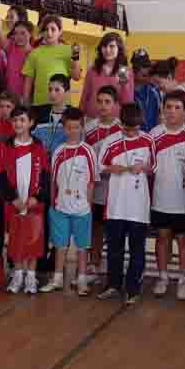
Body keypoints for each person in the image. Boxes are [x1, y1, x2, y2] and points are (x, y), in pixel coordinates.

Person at [98, 103, 156, 304]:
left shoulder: (148, 140)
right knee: (114, 248)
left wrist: (144, 167)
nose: (132, 133)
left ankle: (133, 289)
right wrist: (115, 168)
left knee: (137, 249)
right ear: (121, 124)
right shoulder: (110, 142)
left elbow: (153, 167)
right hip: (115, 206)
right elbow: (100, 167)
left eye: (136, 129)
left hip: (138, 207)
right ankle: (113, 285)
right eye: (128, 129)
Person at [43, 108, 97, 295]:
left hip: (82, 208)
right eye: (69, 127)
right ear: (64, 129)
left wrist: (88, 205)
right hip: (60, 206)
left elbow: (92, 181)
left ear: (82, 128)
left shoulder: (88, 151)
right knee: (60, 245)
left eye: (76, 127)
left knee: (82, 246)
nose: (73, 130)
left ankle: (81, 279)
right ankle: (58, 277)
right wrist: (53, 204)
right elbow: (52, 180)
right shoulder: (58, 151)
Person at [150, 90, 185, 300]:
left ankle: (183, 280)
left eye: (177, 107)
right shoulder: (154, 134)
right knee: (162, 238)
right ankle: (162, 277)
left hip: (184, 201)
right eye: (168, 107)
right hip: (160, 198)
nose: (172, 111)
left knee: (184, 241)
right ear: (162, 109)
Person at [0, 107, 51, 294]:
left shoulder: (39, 146)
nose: (18, 124)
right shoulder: (7, 146)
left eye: (22, 120)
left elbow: (45, 175)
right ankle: (18, 273)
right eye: (15, 121)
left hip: (33, 203)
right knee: (16, 240)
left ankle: (31, 275)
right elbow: (2, 175)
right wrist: (12, 198)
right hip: (15, 203)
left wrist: (37, 197)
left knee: (33, 240)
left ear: (31, 123)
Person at [84, 86, 123, 283]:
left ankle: (114, 267)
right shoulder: (88, 128)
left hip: (117, 189)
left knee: (115, 229)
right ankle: (94, 263)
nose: (102, 106)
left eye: (107, 102)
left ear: (116, 105)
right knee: (96, 226)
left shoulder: (123, 128)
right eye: (99, 101)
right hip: (97, 188)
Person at [21, 14, 82, 112]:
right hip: (40, 104)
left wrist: (76, 57)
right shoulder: (34, 53)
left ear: (60, 31)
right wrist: (25, 103)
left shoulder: (68, 50)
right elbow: (28, 81)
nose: (49, 33)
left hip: (62, 104)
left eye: (53, 29)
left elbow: (76, 76)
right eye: (46, 29)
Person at [78, 32, 134, 121]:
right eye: (104, 46)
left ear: (119, 49)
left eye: (111, 46)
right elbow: (84, 97)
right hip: (91, 120)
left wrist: (124, 84)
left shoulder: (124, 71)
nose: (107, 50)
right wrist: (79, 119)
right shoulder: (92, 70)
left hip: (115, 122)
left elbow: (127, 103)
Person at [31, 75, 70, 159]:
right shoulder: (40, 114)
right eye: (50, 89)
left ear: (67, 92)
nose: (52, 93)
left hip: (64, 164)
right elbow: (32, 141)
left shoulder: (72, 115)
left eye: (57, 90)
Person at [3, 19, 34, 104]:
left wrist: (26, 100)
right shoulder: (11, 48)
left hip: (26, 100)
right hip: (9, 99)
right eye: (16, 33)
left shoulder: (35, 54)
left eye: (23, 33)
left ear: (30, 34)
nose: (19, 37)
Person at [131, 49, 161, 133]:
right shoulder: (127, 91)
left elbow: (160, 116)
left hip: (153, 137)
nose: (144, 70)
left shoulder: (154, 90)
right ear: (134, 69)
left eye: (146, 66)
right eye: (140, 67)